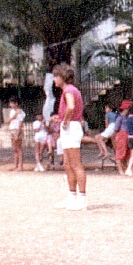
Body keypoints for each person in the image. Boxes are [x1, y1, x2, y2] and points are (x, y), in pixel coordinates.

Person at [51, 63, 87, 210]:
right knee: (67, 163)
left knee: (75, 164)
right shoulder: (71, 90)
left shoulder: (68, 91)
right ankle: (72, 196)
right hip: (70, 127)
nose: (54, 80)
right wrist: (60, 119)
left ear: (62, 77)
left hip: (71, 127)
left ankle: (82, 199)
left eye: (55, 76)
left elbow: (71, 107)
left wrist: (65, 120)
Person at [6, 98, 26, 172]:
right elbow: (8, 121)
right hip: (12, 129)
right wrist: (15, 115)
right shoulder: (12, 111)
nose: (10, 105)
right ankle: (15, 165)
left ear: (16, 103)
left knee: (19, 148)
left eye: (12, 103)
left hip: (17, 129)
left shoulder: (21, 112)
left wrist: (18, 133)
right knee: (14, 149)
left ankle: (20, 166)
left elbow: (21, 123)